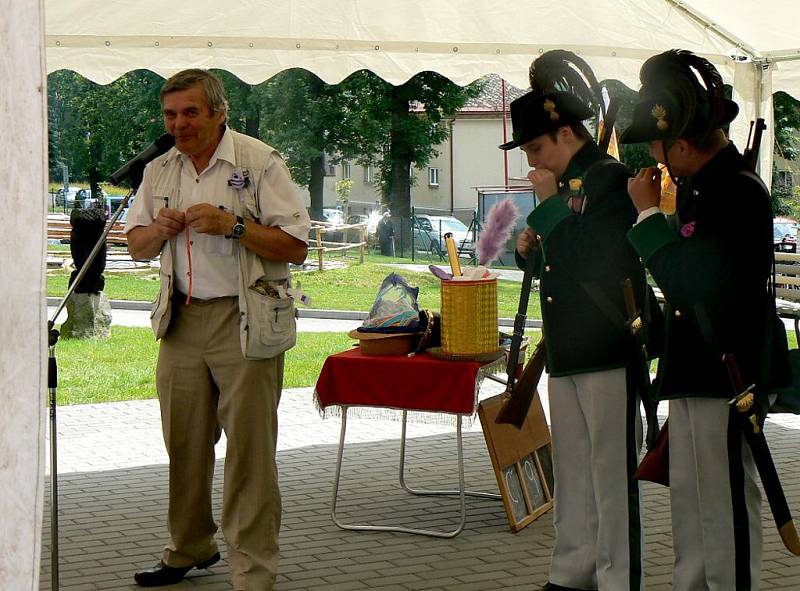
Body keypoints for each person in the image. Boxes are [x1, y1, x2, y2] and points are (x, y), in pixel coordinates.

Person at [124, 69, 311, 589]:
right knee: (182, 445)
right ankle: (188, 547)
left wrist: (234, 226)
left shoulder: (258, 161)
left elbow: (296, 245)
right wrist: (155, 230)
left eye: (190, 113)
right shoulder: (159, 170)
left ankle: (252, 573)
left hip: (244, 319)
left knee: (249, 455)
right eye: (170, 115)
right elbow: (135, 244)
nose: (179, 124)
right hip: (181, 320)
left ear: (217, 113)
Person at [621, 50, 790, 590]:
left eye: (659, 146)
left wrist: (648, 217)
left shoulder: (736, 192)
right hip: (700, 367)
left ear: (684, 142)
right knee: (694, 500)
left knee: (723, 503)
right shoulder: (705, 188)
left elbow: (694, 282)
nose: (656, 159)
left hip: (729, 370)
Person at [505, 51, 653, 591]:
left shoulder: (611, 179)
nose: (534, 162)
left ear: (567, 134)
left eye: (538, 148)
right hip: (567, 345)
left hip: (609, 344)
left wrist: (546, 212)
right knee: (571, 469)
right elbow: (561, 263)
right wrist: (530, 250)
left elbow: (604, 257)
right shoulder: (566, 185)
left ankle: (618, 578)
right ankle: (572, 570)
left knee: (611, 476)